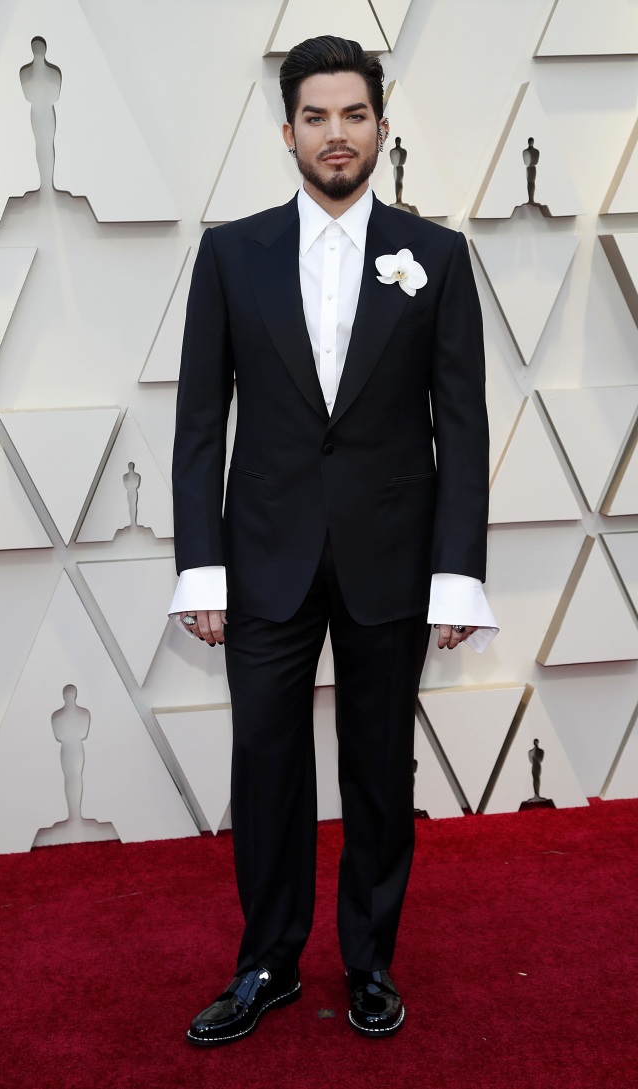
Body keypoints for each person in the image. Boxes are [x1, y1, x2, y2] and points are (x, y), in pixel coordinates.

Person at [169, 34, 497, 1046]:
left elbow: (464, 425)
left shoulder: (436, 257)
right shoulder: (230, 253)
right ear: (287, 132)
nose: (335, 133)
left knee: (376, 769)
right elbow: (196, 425)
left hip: (391, 560)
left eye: (353, 114)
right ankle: (265, 962)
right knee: (264, 767)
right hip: (260, 554)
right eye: (316, 116)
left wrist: (456, 577)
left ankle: (367, 963)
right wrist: (199, 567)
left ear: (380, 126)